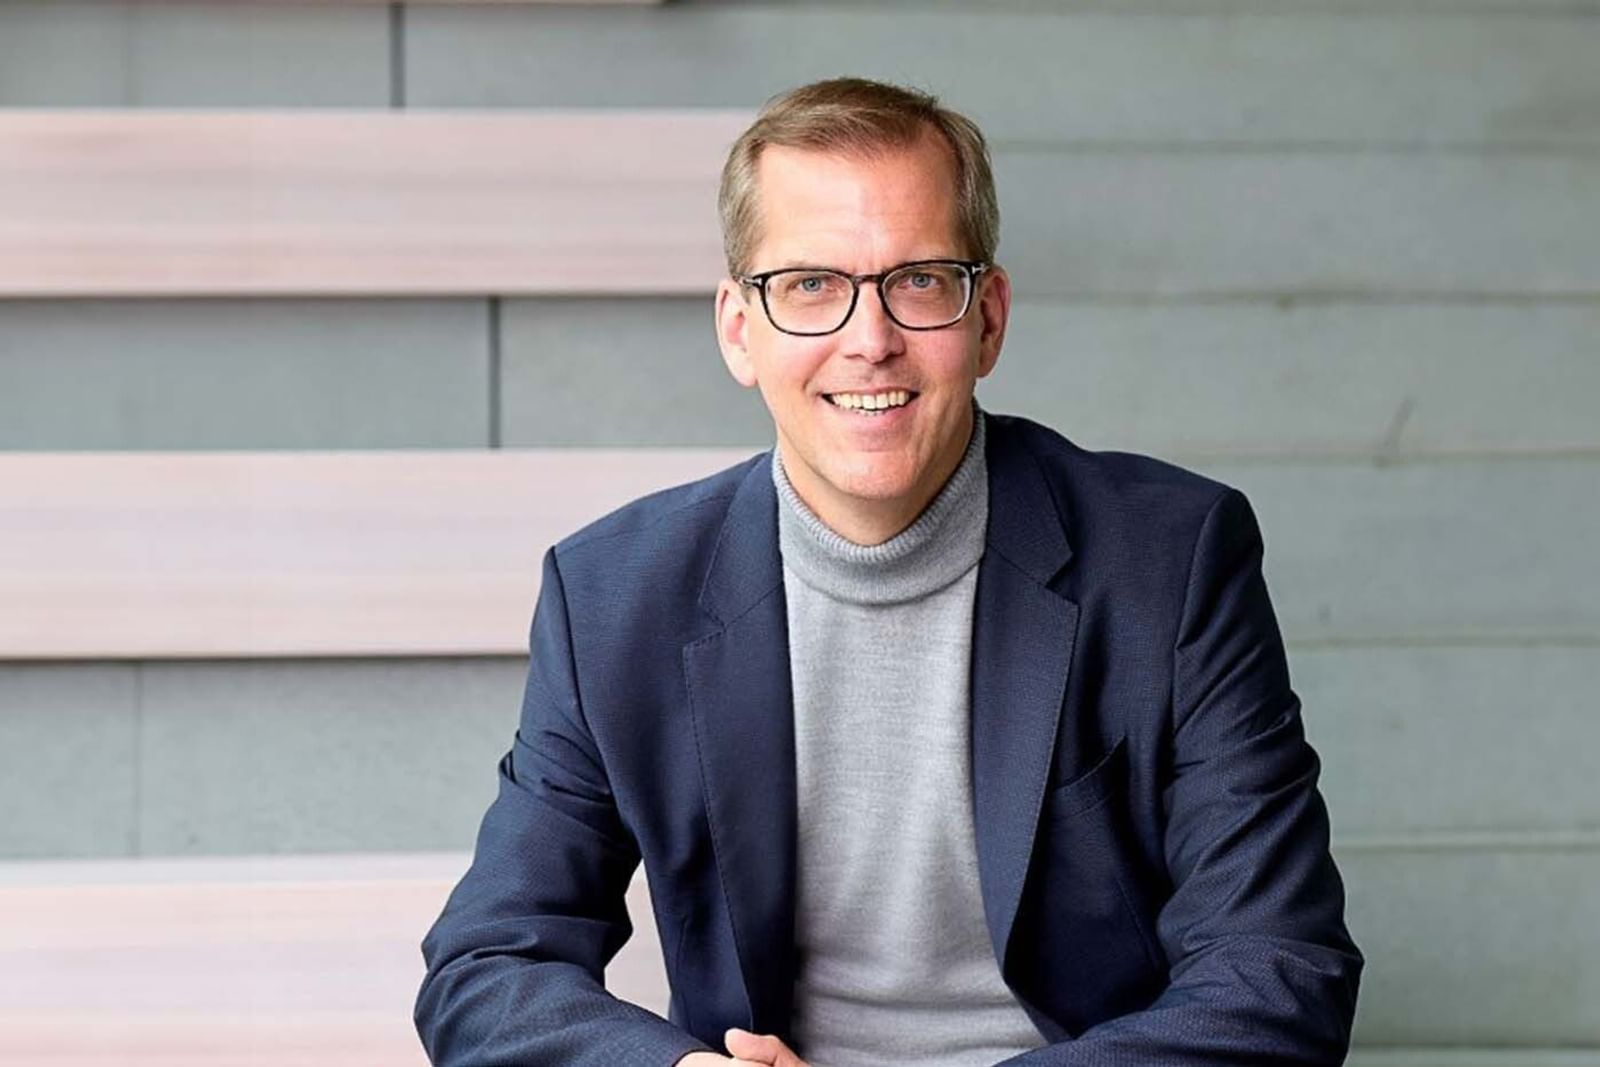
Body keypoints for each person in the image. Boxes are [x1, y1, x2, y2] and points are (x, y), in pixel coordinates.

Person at [415, 77, 1362, 1067]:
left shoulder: (1170, 559)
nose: (869, 341)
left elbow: (1277, 970)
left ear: (988, 319)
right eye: (809, 285)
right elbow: (489, 965)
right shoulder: (614, 595)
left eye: (919, 281)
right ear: (739, 329)